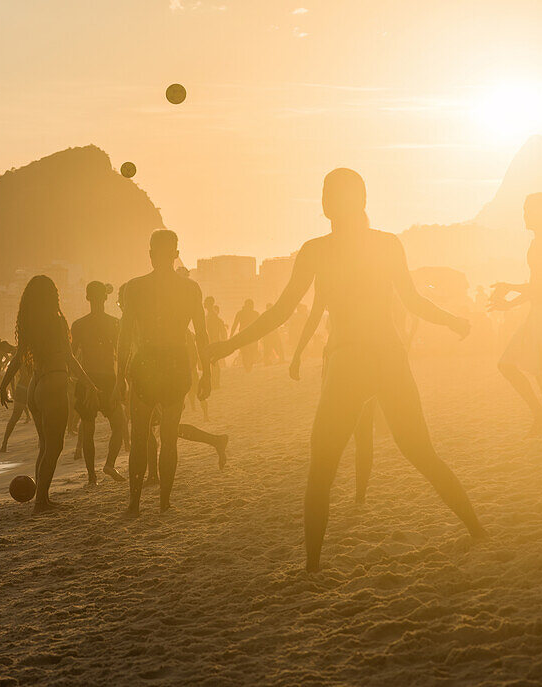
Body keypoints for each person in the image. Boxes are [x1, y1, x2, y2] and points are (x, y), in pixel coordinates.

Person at [208, 169, 486, 572]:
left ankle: (313, 567)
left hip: (349, 361)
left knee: (322, 466)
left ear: (344, 201)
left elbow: (281, 311)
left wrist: (230, 345)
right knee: (421, 452)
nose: (323, 199)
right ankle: (477, 529)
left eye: (327, 192)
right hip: (389, 357)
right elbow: (413, 303)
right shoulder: (386, 244)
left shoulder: (316, 250)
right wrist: (454, 321)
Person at [117, 230, 212, 515]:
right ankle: (164, 502)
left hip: (145, 362)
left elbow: (124, 337)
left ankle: (133, 504)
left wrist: (119, 376)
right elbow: (202, 335)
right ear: (175, 254)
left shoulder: (134, 288)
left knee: (139, 438)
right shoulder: (190, 289)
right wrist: (206, 372)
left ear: (150, 254)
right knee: (169, 439)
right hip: (175, 363)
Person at [1, 275, 100, 514]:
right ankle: (41, 502)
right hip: (54, 383)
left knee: (44, 446)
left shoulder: (30, 323)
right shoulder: (56, 321)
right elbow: (69, 357)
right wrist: (89, 383)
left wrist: (4, 383)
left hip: (36, 386)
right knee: (54, 447)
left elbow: (17, 357)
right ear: (52, 296)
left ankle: (41, 499)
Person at [491, 193, 542, 439]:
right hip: (539, 311)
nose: (524, 214)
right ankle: (541, 416)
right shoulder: (539, 242)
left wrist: (510, 299)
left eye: (528, 210)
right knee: (507, 364)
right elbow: (537, 285)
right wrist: (510, 289)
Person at [290, 292, 376, 505]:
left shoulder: (345, 300)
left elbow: (314, 320)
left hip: (351, 363)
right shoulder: (363, 296)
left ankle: (357, 495)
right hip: (351, 362)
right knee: (360, 437)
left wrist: (297, 354)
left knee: (348, 437)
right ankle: (359, 496)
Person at [70, 281, 126, 484]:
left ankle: (91, 476)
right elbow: (121, 355)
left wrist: (77, 380)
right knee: (118, 426)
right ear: (105, 297)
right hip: (108, 379)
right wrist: (122, 381)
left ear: (87, 298)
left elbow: (71, 356)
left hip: (87, 379)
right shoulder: (114, 323)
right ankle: (109, 463)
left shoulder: (79, 325)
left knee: (88, 430)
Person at [0, 358, 32, 452]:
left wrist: (11, 388)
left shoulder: (21, 357)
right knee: (41, 416)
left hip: (22, 387)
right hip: (30, 388)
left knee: (15, 417)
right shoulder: (36, 355)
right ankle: (4, 443)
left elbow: (11, 373)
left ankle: (4, 443)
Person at [230, 300, 260, 372]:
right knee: (245, 352)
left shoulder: (254, 313)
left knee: (249, 352)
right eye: (250, 305)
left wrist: (231, 335)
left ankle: (248, 366)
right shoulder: (243, 313)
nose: (251, 307)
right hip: (246, 336)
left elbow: (259, 325)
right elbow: (235, 324)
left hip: (250, 336)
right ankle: (248, 366)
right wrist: (231, 335)